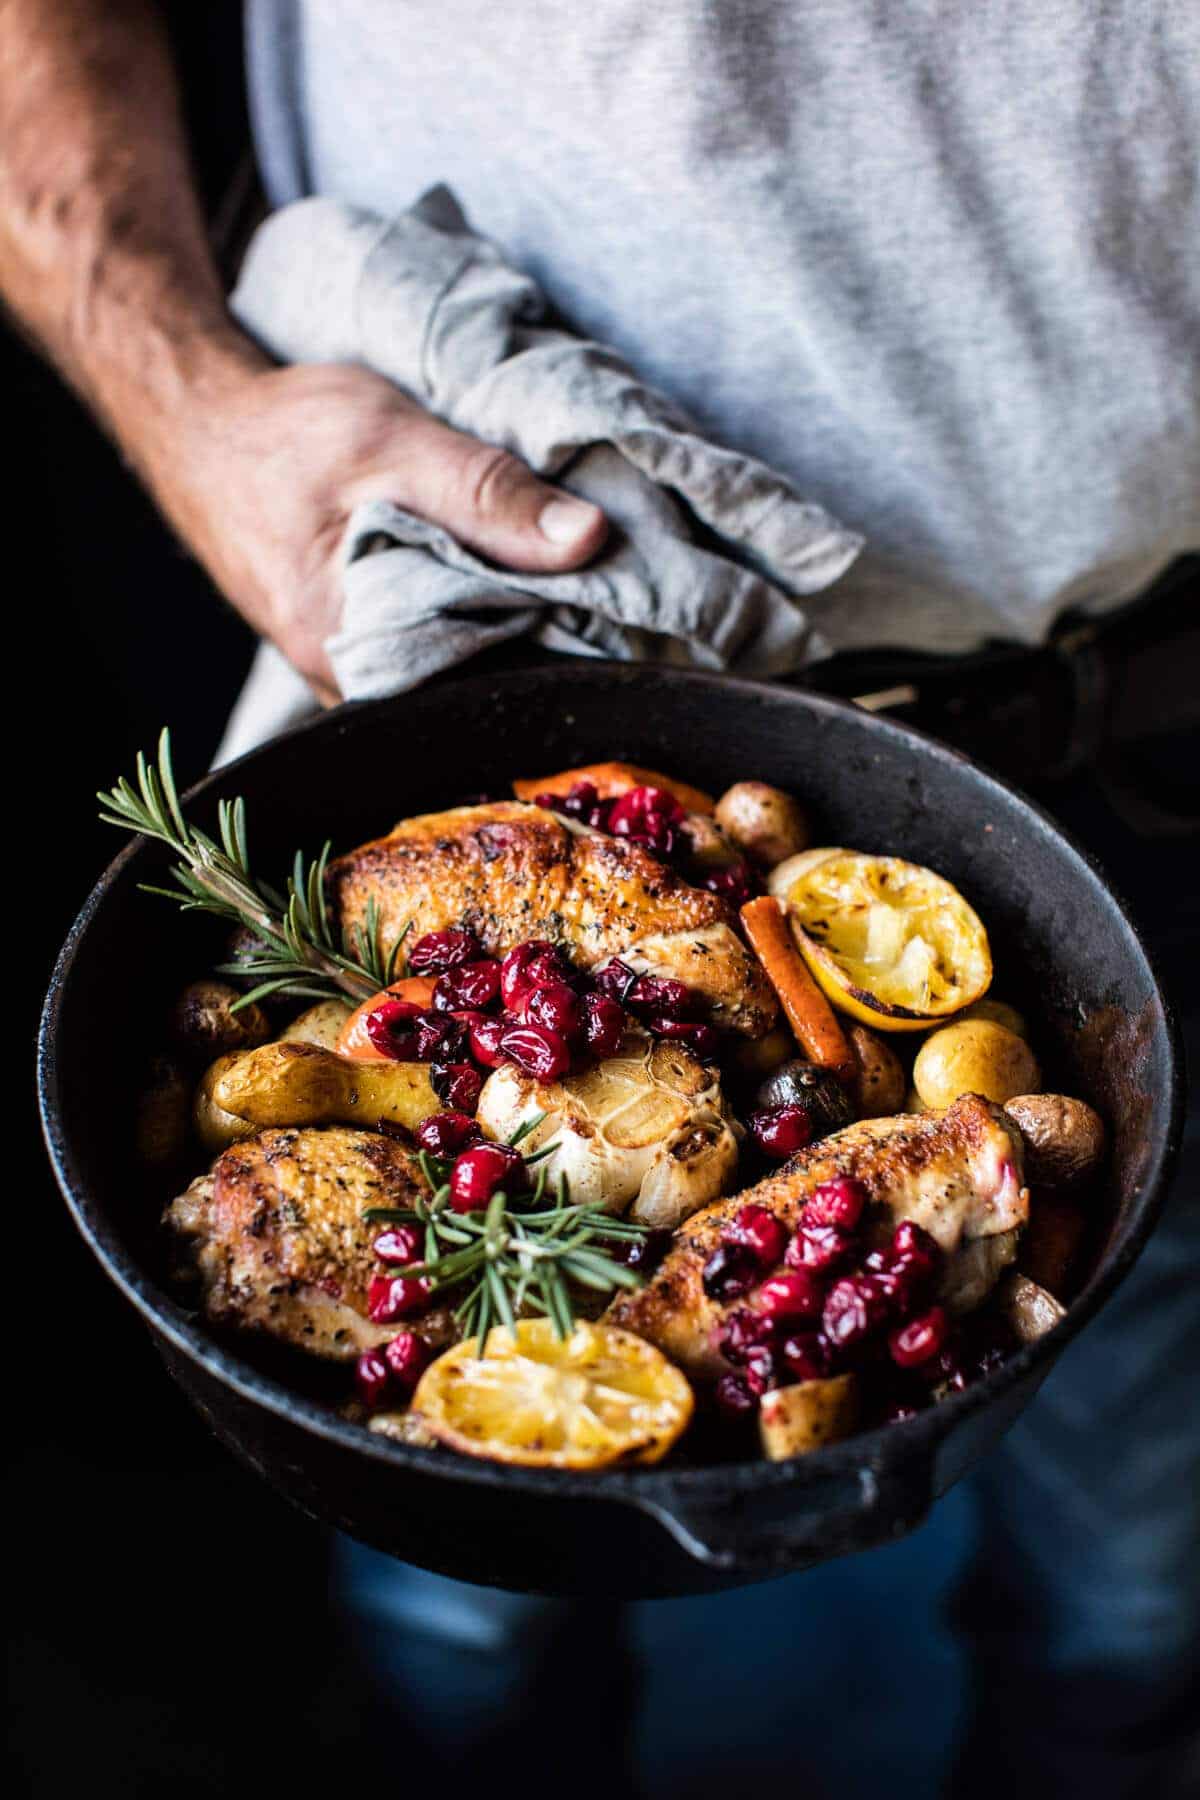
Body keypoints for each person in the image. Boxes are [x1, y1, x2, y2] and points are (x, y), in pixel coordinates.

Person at [5, 5, 1196, 1796]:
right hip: (486, 585)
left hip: (1157, 736)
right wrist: (174, 380)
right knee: (457, 1616)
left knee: (1138, 1588)